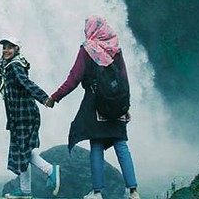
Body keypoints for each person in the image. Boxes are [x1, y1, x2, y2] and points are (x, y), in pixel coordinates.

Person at [45, 16, 140, 199]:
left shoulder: (87, 49)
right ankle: (133, 190)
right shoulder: (115, 49)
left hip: (96, 103)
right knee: (121, 144)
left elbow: (74, 78)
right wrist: (125, 106)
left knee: (96, 144)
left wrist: (55, 97)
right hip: (117, 102)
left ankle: (97, 192)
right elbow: (124, 80)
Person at [0, 37, 60, 199]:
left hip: (25, 115)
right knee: (21, 151)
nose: (6, 50)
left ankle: (50, 170)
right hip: (17, 117)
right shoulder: (6, 67)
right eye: (4, 47)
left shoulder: (15, 66)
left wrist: (45, 98)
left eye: (10, 47)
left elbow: (26, 83)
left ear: (17, 49)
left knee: (22, 150)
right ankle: (25, 191)